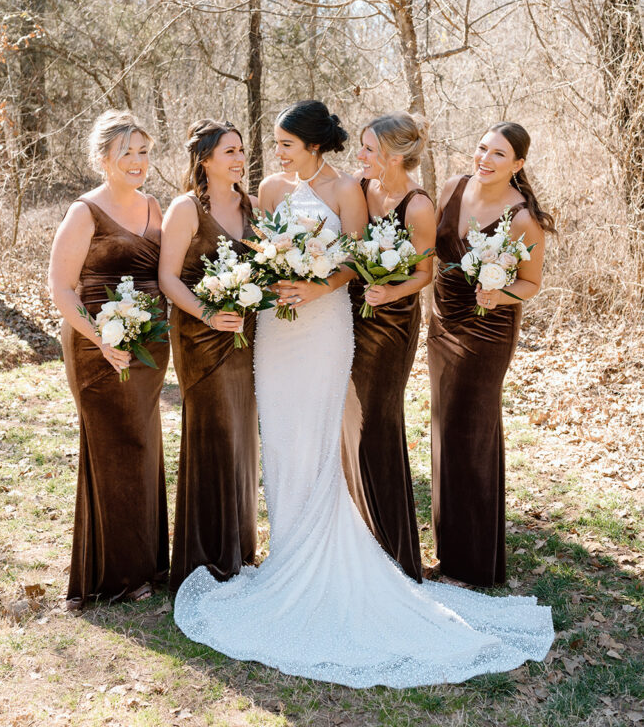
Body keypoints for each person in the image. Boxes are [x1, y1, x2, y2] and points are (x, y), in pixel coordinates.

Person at [174, 102, 553, 687]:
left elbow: (352, 261)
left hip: (326, 324)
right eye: (273, 143)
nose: (275, 152)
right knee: (277, 429)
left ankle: (328, 546)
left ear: (313, 145)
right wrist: (268, 280)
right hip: (277, 327)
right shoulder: (269, 189)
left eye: (285, 142)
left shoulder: (350, 189)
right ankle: (286, 550)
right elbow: (257, 250)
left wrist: (316, 283)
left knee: (324, 430)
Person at [48, 110, 169, 607]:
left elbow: (164, 276)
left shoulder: (155, 207)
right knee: (112, 451)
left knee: (143, 446)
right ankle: (116, 576)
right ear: (104, 159)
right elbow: (60, 287)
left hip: (149, 346)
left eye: (143, 151)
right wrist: (100, 337)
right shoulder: (84, 212)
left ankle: (149, 563)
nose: (138, 162)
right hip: (98, 346)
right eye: (128, 153)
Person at [428, 121, 556, 587]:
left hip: (487, 330)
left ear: (518, 165)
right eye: (482, 148)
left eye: (498, 154)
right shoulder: (451, 187)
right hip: (441, 325)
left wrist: (498, 296)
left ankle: (473, 563)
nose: (484, 159)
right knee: (445, 430)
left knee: (472, 434)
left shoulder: (522, 219)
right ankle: (449, 550)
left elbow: (531, 283)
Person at [159, 120, 259, 590]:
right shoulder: (186, 208)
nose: (239, 159)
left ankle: (238, 547)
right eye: (229, 152)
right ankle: (207, 555)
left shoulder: (252, 206)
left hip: (245, 334)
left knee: (241, 435)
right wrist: (206, 313)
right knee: (214, 431)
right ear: (204, 159)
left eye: (241, 150)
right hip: (202, 335)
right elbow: (168, 278)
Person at [342, 112, 436, 581]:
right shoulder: (359, 189)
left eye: (368, 149)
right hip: (349, 317)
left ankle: (393, 548)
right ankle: (355, 534)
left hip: (392, 320)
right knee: (349, 421)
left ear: (396, 156)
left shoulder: (418, 206)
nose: (360, 157)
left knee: (379, 420)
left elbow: (424, 273)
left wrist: (390, 292)